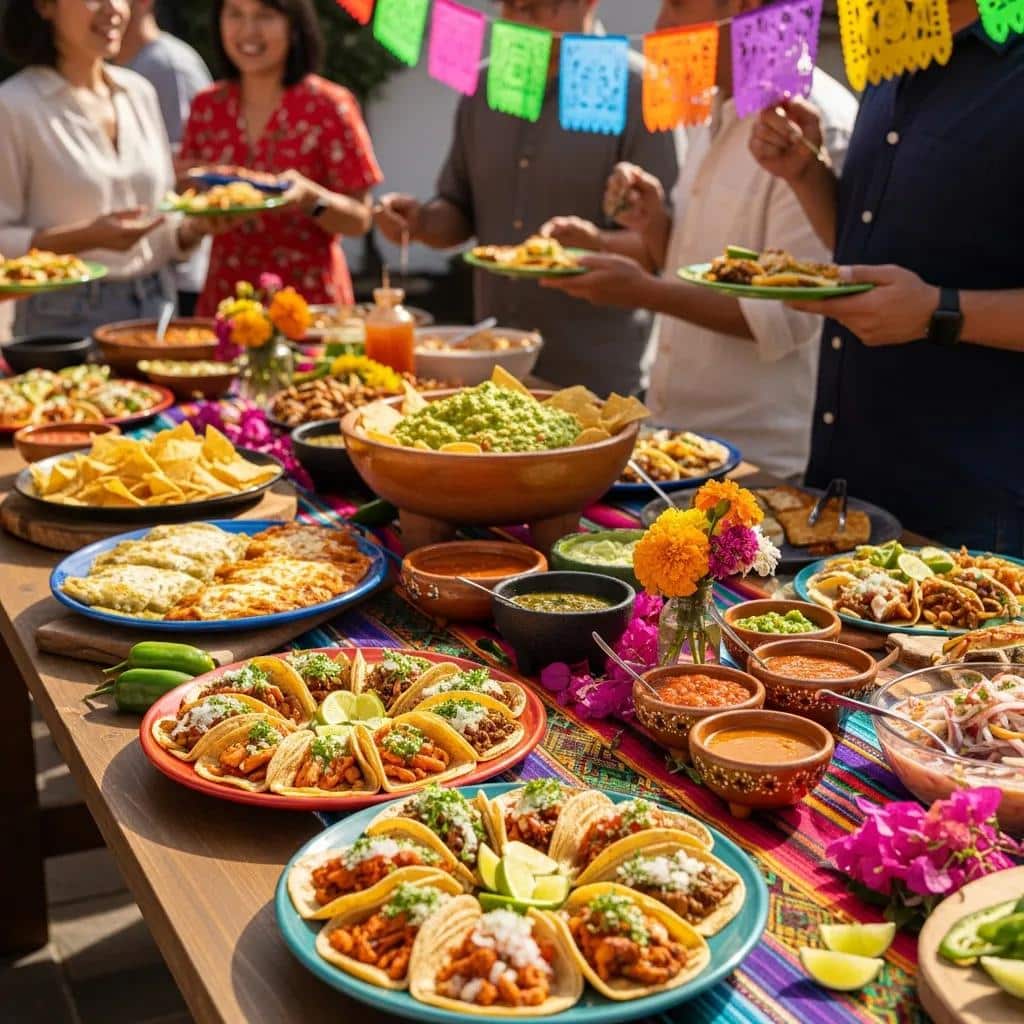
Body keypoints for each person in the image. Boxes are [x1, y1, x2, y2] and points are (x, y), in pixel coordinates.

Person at [748, 0, 1024, 552]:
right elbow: (863, 244)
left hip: (969, 519)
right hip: (844, 492)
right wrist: (807, 173)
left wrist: (938, 313)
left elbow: (923, 299)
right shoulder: (891, 49)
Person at [539, 0, 857, 478]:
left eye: (678, 4)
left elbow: (785, 317)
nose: (659, 26)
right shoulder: (715, 106)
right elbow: (696, 265)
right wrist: (646, 228)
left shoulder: (812, 121)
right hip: (679, 439)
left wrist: (642, 291)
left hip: (760, 460)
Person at [374, 0, 677, 397]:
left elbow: (667, 248)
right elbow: (458, 208)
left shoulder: (641, 90)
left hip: (597, 373)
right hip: (495, 363)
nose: (527, 21)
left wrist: (595, 245)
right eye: (516, 8)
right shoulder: (486, 86)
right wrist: (420, 223)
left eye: (541, 7)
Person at [0, 0, 216, 338]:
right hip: (61, 320)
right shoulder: (12, 107)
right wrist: (87, 237)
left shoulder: (139, 93)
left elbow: (161, 225)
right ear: (44, 6)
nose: (114, 8)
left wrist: (195, 228)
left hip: (157, 309)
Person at [179, 0, 382, 317]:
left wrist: (310, 199)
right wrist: (202, 221)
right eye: (235, 14)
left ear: (294, 25)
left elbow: (360, 218)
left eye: (265, 16)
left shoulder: (330, 106)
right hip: (226, 304)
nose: (249, 31)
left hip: (310, 308)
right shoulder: (207, 106)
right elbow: (186, 197)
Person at [117, 0, 213, 315]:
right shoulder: (111, 68)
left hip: (176, 274)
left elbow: (196, 169)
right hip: (132, 269)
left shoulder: (169, 66)